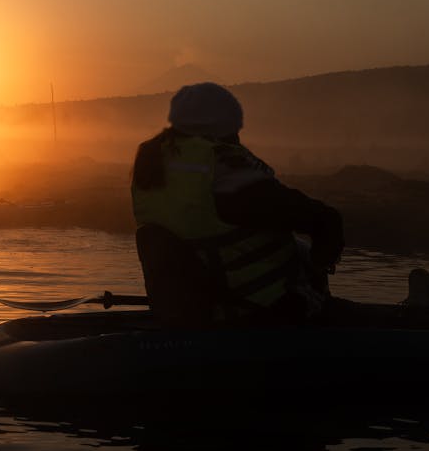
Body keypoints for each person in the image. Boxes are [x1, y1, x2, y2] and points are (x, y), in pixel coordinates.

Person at [130, 82, 345, 327]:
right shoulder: (223, 166)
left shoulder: (152, 162)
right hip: (253, 313)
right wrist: (323, 257)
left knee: (297, 246)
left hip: (189, 311)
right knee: (307, 250)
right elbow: (319, 219)